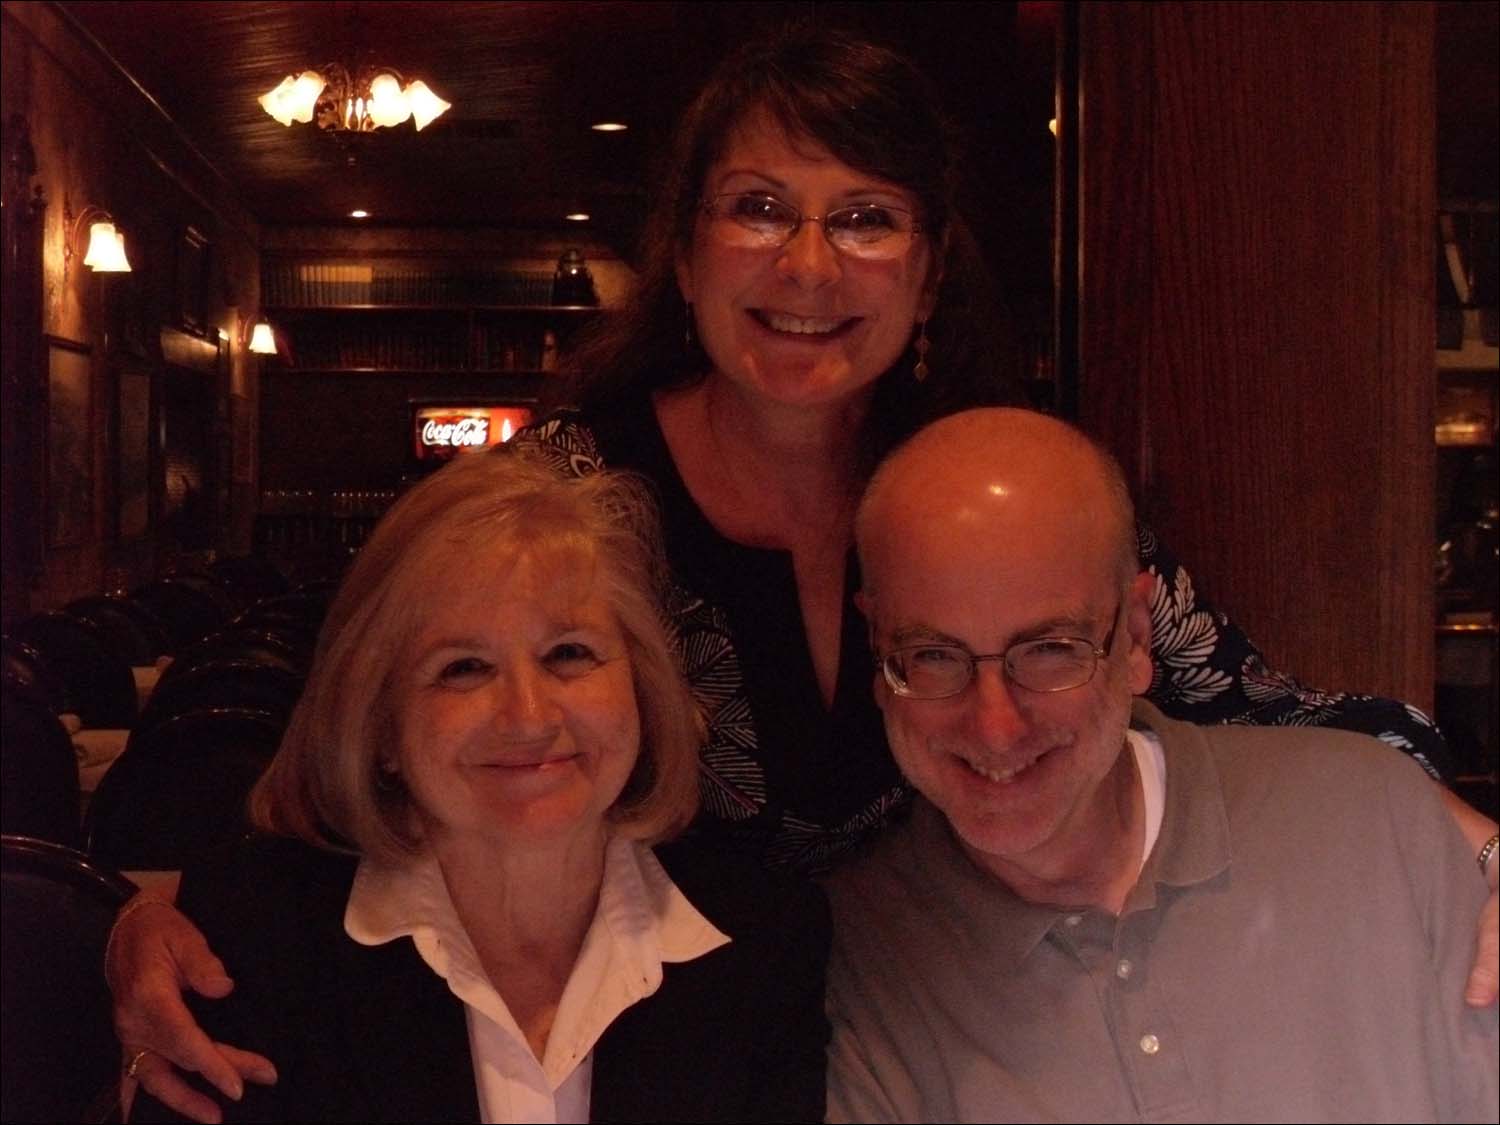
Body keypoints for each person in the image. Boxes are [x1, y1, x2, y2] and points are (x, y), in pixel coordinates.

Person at [108, 26, 1498, 1120]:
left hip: (955, 1015)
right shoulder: (573, 496)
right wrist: (148, 918)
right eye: (762, 207)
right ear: (690, 250)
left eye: (869, 215)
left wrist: (1477, 849)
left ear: (931, 268)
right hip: (665, 1052)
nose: (813, 264)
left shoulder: (984, 498)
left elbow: (1261, 708)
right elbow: (352, 720)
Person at [826, 407, 1500, 1123]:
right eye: (934, 656)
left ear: (1139, 636)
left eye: (1051, 648)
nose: (995, 724)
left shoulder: (1371, 823)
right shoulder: (862, 954)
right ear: (877, 648)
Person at [126, 449, 831, 1123]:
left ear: (643, 690)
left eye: (569, 653)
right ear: (381, 726)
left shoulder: (765, 944)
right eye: (463, 667)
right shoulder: (250, 943)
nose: (528, 716)